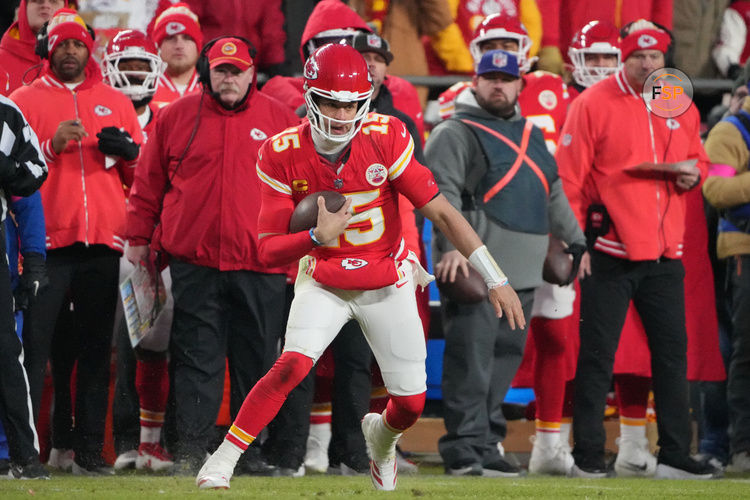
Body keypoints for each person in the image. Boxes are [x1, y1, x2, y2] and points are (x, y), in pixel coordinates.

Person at [195, 42, 525, 492]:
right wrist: (315, 238)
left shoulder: (385, 135)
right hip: (325, 279)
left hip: (385, 281)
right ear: (310, 97)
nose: (339, 114)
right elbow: (269, 250)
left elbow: (443, 212)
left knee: (409, 405)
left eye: (350, 104)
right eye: (330, 102)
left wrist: (496, 277)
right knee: (290, 365)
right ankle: (223, 459)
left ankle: (382, 443)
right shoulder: (281, 150)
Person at [126, 35, 300, 474]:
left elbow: (304, 193)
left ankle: (247, 454)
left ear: (250, 73)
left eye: (236, 71)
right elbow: (148, 184)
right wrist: (138, 237)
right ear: (208, 71)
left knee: (256, 363)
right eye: (220, 70)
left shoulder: (281, 121)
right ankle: (189, 452)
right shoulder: (175, 117)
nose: (228, 78)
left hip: (261, 264)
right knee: (194, 360)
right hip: (196, 263)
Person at [555, 19, 718, 479]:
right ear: (623, 57)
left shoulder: (676, 101)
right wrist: (575, 243)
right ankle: (587, 456)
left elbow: (700, 159)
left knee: (672, 355)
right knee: (597, 355)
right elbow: (567, 180)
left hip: (666, 253)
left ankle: (673, 454)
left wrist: (695, 174)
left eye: (655, 56)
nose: (648, 64)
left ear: (665, 57)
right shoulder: (592, 103)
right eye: (638, 57)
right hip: (610, 249)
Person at [426, 48, 586, 477]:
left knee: (503, 362)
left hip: (526, 271)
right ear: (474, 82)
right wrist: (450, 249)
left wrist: (577, 243)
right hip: (478, 271)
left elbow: (552, 191)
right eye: (489, 77)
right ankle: (462, 449)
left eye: (506, 77)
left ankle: (487, 442)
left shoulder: (532, 133)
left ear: (521, 85)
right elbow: (440, 195)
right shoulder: (453, 132)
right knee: (470, 363)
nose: (498, 84)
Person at [11, 7, 143, 475]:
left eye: (78, 44)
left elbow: (140, 176)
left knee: (94, 354)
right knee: (36, 351)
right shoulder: (24, 99)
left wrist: (130, 153)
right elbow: (10, 173)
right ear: (49, 49)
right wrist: (50, 147)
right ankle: (28, 453)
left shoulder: (116, 99)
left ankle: (89, 451)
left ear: (91, 50)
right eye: (63, 44)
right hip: (44, 244)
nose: (71, 51)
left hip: (102, 246)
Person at [100, 29, 176, 472]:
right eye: (124, 66)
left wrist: (137, 155)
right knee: (109, 349)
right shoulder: (91, 112)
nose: (132, 76)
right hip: (103, 247)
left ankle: (153, 442)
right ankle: (115, 442)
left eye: (139, 66)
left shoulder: (169, 118)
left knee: (151, 348)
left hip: (154, 251)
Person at [702, 75, 750, 473]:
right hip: (744, 251)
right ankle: (742, 449)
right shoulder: (730, 130)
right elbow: (716, 189)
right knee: (746, 353)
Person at [0, 93, 49, 479]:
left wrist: (3, 166)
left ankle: (22, 456)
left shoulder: (6, 111)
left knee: (4, 350)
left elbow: (34, 176)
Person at [0, 0, 66, 94]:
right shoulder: (1, 61)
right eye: (37, 1)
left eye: (53, 1)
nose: (46, 5)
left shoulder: (83, 66)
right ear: (23, 8)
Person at [149, 2, 202, 109]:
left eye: (187, 38)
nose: (179, 45)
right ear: (158, 47)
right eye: (170, 38)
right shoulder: (143, 92)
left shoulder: (212, 91)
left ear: (198, 47)